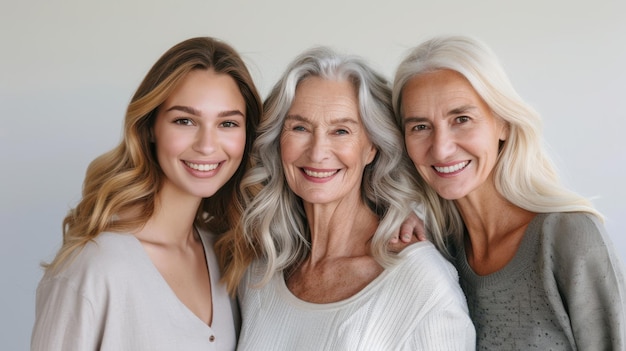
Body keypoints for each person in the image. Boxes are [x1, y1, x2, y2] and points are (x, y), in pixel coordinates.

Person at [224, 46, 475, 350]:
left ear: (372, 147)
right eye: (300, 127)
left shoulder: (420, 281)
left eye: (341, 131)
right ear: (277, 141)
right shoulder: (260, 271)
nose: (317, 152)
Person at [392, 35, 626, 350]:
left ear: (502, 124)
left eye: (461, 119)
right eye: (420, 127)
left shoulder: (566, 236)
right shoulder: (435, 252)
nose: (442, 147)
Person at [31, 36, 262, 351]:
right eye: (185, 120)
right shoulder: (95, 266)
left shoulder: (226, 256)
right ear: (150, 127)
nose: (207, 145)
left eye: (228, 123)